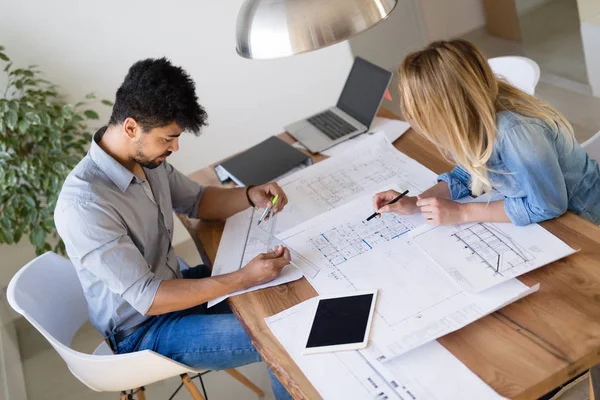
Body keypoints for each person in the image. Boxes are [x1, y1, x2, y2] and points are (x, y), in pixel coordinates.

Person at [54, 58, 293, 399]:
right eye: (169, 138)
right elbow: (149, 299)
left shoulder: (146, 159)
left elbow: (198, 202)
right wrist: (243, 277)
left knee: (284, 291)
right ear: (131, 127)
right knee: (279, 336)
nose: (175, 147)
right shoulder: (85, 207)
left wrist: (250, 195)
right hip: (142, 330)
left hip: (174, 287)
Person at [373, 39, 600, 227]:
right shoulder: (474, 118)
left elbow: (547, 205)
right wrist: (417, 202)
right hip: (558, 219)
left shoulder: (516, 132)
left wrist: (463, 213)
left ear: (447, 109)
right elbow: (469, 174)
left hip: (585, 221)